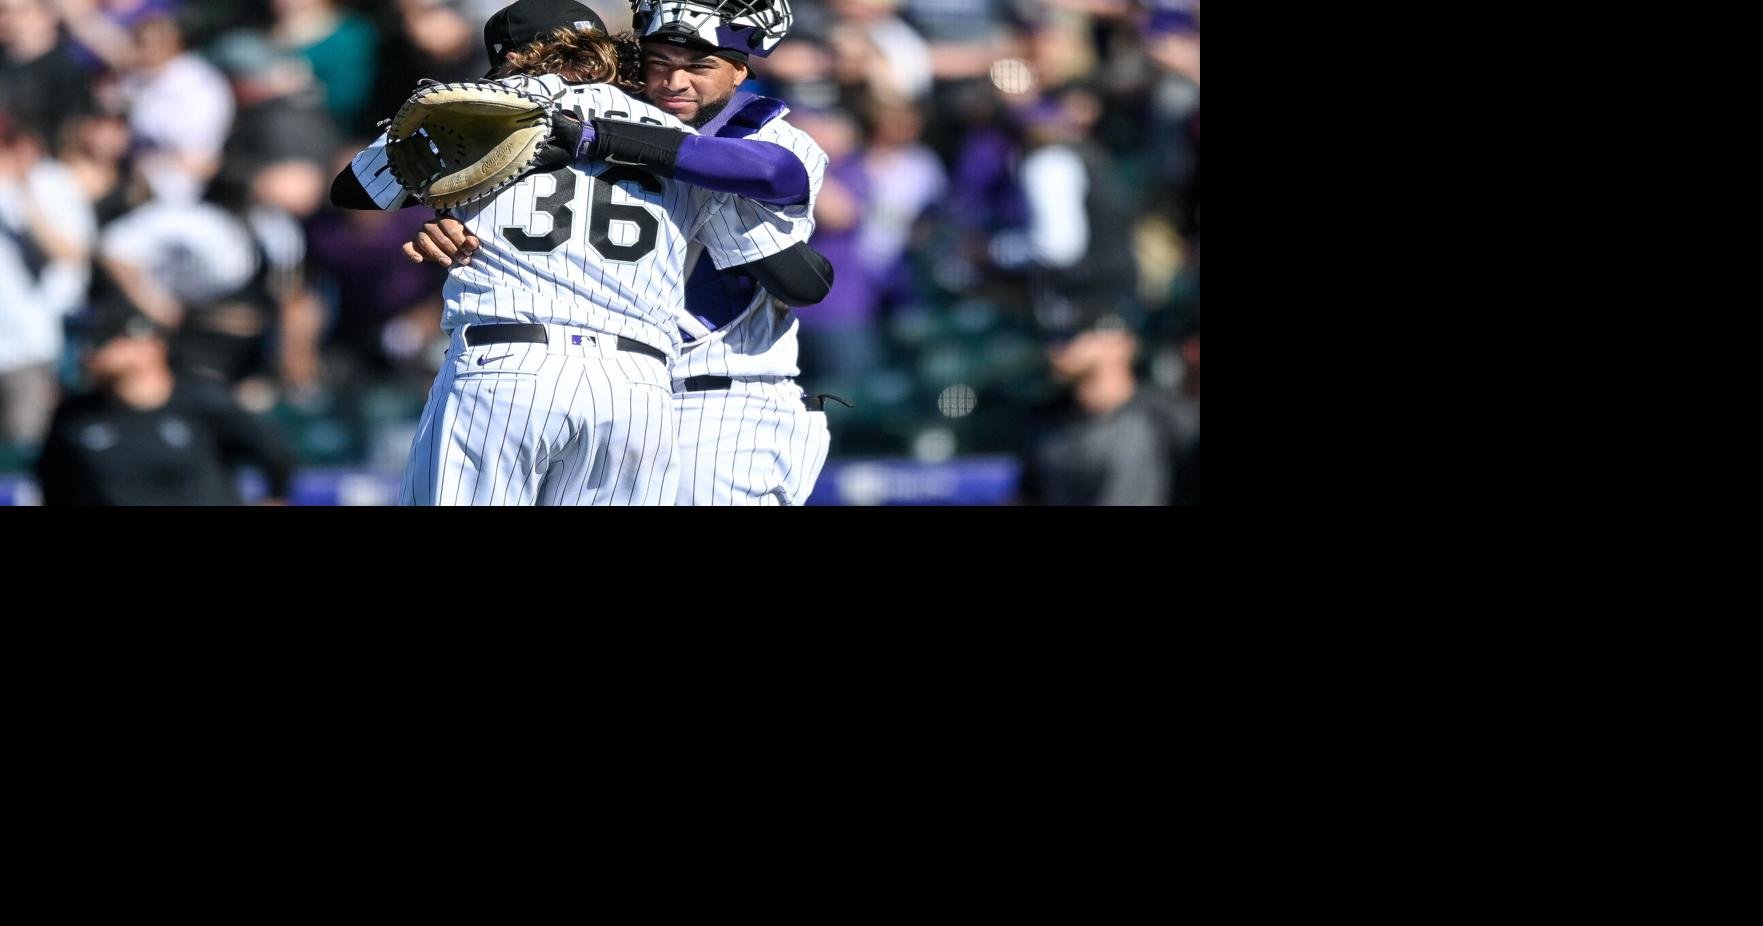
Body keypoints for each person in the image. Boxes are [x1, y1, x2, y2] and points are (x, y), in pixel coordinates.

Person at [331, 0, 819, 505]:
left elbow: (355, 190)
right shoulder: (675, 134)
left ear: (508, 59)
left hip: (507, 361)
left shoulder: (488, 106)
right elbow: (791, 239)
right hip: (638, 385)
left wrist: (445, 184)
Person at [34, 307, 297, 505]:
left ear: (147, 346)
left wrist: (275, 498)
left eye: (104, 342)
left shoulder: (201, 401)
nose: (89, 353)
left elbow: (276, 456)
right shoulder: (75, 417)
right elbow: (53, 484)